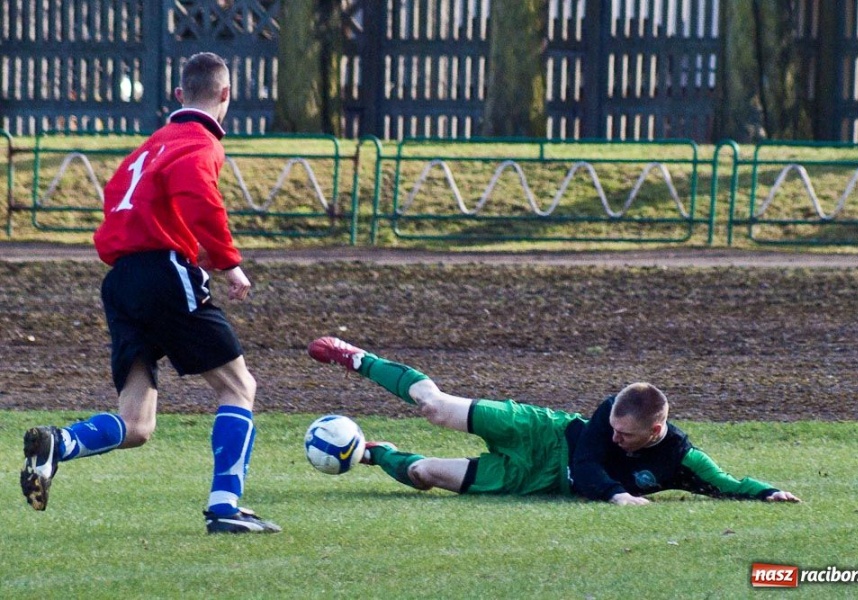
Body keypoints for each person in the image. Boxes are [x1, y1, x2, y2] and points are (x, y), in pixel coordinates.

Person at [20, 52, 281, 534]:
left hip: (121, 280)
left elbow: (127, 207)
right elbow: (199, 196)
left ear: (179, 95)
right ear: (226, 95)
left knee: (137, 424)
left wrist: (176, 246)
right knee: (238, 387)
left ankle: (60, 443)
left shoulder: (146, 148)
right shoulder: (200, 143)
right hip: (162, 273)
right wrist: (228, 262)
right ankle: (225, 506)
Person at [307, 337, 801, 504]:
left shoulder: (679, 458)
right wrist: (617, 494)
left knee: (422, 474)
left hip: (534, 479)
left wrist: (765, 492)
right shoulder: (606, 415)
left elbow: (724, 483)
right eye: (611, 425)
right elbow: (587, 468)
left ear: (655, 432)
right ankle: (356, 358)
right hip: (539, 430)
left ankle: (372, 452)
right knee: (435, 407)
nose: (612, 435)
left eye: (624, 436)